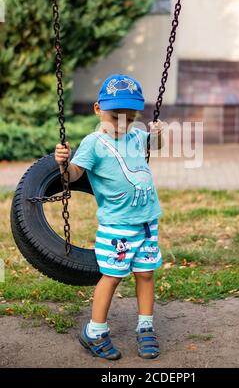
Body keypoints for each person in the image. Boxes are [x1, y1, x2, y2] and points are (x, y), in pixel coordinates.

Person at [55, 74, 164, 360]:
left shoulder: (136, 136)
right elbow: (75, 175)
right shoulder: (93, 143)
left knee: (146, 274)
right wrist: (63, 164)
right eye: (116, 117)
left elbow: (156, 144)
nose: (123, 123)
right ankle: (95, 330)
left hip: (147, 223)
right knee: (112, 277)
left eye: (130, 117)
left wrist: (158, 133)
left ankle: (145, 327)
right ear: (97, 110)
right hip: (117, 226)